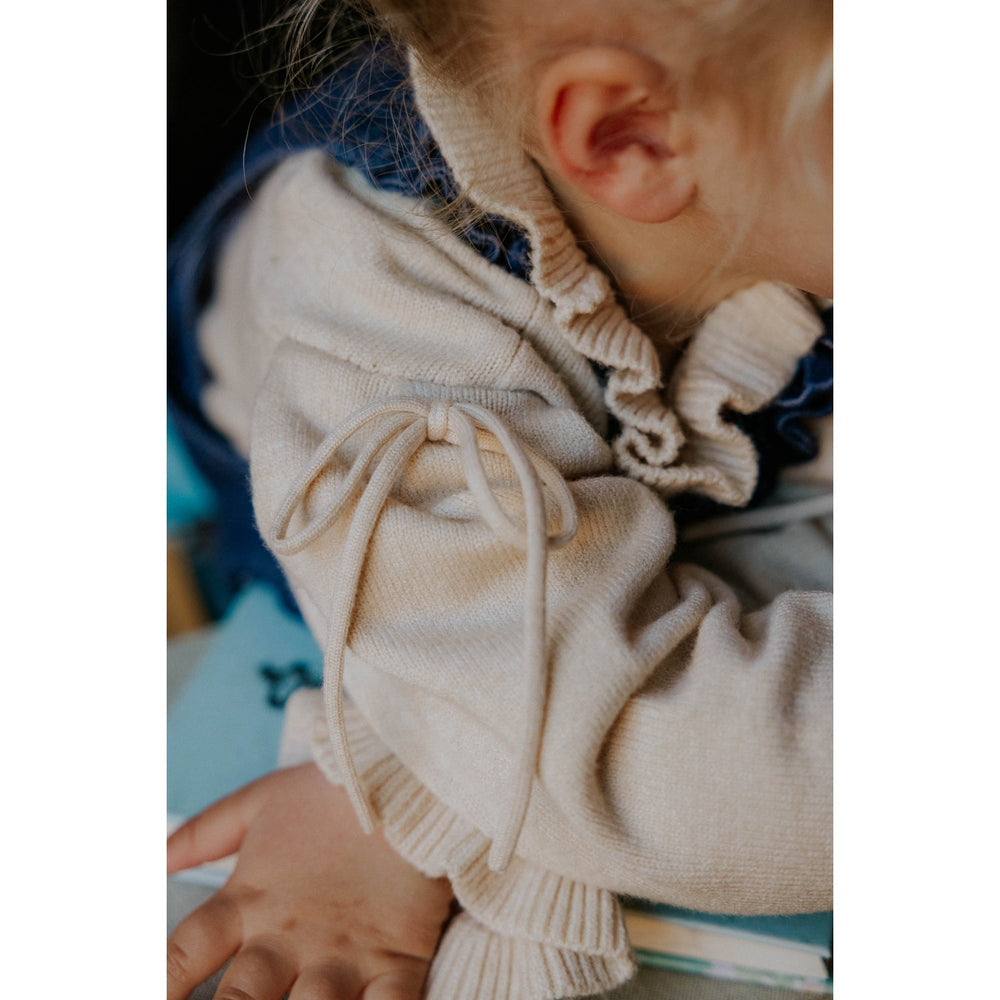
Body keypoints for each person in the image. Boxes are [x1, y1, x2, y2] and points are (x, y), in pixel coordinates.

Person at [166, 0, 833, 997]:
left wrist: (424, 771)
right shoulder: (381, 299)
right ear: (631, 136)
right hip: (300, 479)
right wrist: (451, 750)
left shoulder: (792, 197)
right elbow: (668, 768)